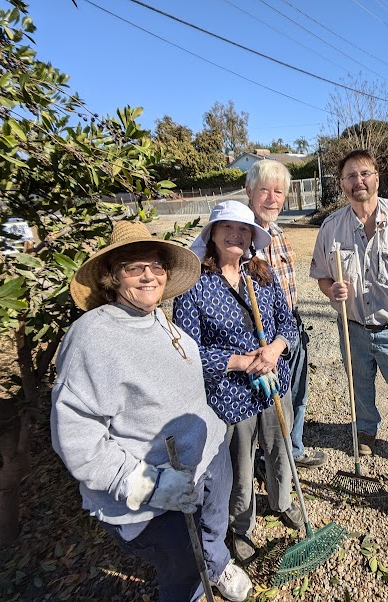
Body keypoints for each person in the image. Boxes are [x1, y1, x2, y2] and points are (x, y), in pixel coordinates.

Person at [51, 220, 252, 602]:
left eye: (157, 266)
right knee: (182, 574)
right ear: (113, 276)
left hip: (205, 462)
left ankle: (219, 564)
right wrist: (151, 486)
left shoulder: (159, 317)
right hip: (158, 493)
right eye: (134, 268)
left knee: (213, 528)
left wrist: (215, 434)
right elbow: (79, 444)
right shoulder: (93, 338)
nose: (149, 276)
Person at [173, 200, 300, 566]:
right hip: (231, 395)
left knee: (280, 449)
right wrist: (241, 362)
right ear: (211, 234)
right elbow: (189, 353)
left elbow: (287, 324)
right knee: (240, 464)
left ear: (251, 237)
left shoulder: (262, 274)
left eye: (244, 229)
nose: (236, 234)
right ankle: (241, 525)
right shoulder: (194, 285)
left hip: (274, 383)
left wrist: (275, 349)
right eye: (227, 227)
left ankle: (283, 501)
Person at [310, 149, 388, 479]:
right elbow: (323, 276)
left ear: (377, 178)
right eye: (351, 176)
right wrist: (331, 291)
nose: (359, 181)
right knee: (359, 387)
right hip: (353, 326)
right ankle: (366, 431)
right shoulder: (331, 227)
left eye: (364, 174)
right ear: (341, 184)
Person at [245, 159, 327, 469]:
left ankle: (292, 451)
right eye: (264, 190)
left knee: (296, 393)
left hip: (291, 327)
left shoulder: (278, 233)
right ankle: (266, 463)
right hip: (261, 338)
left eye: (278, 192)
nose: (271, 198)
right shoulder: (239, 236)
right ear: (249, 190)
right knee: (266, 402)